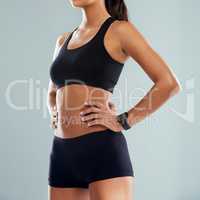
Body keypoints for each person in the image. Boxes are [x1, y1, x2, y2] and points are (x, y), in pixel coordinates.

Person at [46, 0, 181, 199]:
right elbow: (52, 92)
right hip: (62, 153)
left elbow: (168, 83)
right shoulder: (63, 41)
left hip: (101, 151)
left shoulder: (120, 31)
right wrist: (54, 111)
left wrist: (124, 120)